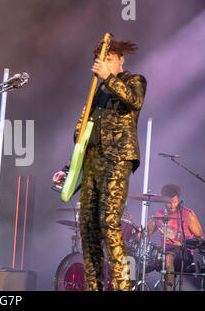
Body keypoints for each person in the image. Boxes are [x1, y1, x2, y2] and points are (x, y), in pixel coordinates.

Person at [53, 38, 147, 291]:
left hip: (117, 160)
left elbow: (134, 102)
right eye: (101, 60)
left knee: (109, 222)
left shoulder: (134, 81)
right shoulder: (95, 93)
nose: (104, 64)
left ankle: (123, 286)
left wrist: (109, 78)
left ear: (120, 60)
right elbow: (83, 135)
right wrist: (68, 170)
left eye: (109, 59)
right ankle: (93, 287)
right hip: (92, 163)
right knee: (89, 230)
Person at [146, 184, 204, 290]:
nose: (173, 205)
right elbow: (145, 233)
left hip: (184, 253)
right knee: (140, 260)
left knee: (168, 258)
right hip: (164, 252)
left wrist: (183, 244)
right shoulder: (159, 215)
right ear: (163, 201)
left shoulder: (188, 214)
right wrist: (131, 225)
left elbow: (201, 239)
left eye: (175, 202)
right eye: (169, 202)